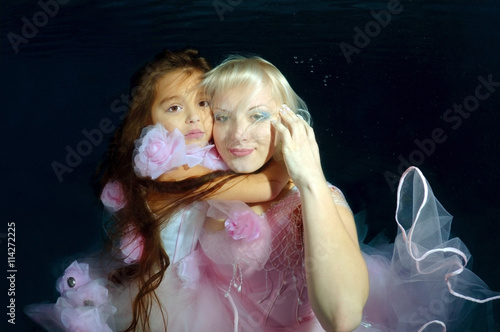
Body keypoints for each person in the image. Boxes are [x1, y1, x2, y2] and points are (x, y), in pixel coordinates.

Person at [160, 55, 500, 332]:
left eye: (257, 115)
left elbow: (342, 319)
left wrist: (310, 181)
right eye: (223, 117)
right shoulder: (207, 183)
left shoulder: (316, 197)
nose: (237, 134)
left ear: (287, 121)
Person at [24, 48, 290, 332]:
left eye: (203, 102)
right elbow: (265, 187)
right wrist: (290, 157)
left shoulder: (204, 159)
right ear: (148, 120)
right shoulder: (171, 172)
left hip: (193, 278)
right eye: (174, 107)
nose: (194, 117)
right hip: (164, 293)